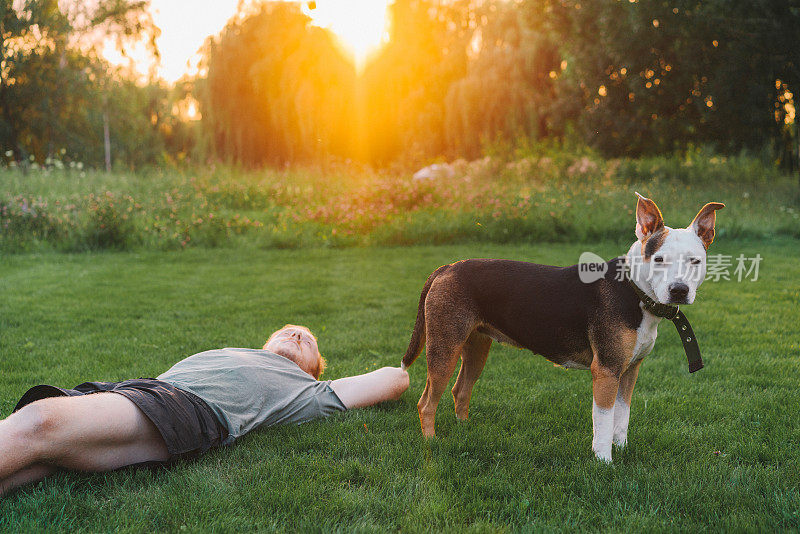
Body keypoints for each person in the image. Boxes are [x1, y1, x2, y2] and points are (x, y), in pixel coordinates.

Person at [0, 324, 409, 497]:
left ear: (313, 369)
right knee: (48, 455)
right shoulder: (240, 353)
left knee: (42, 421)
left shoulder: (307, 391)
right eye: (287, 331)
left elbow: (396, 379)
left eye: (307, 341)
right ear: (265, 344)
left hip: (189, 411)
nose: (297, 333)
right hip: (143, 391)